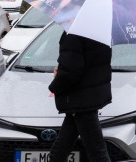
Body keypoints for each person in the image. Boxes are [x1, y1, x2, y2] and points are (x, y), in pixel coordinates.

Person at [46, 31, 112, 162]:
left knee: (97, 154)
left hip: (80, 100)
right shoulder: (99, 32)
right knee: (58, 153)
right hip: (86, 99)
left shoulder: (73, 35)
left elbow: (70, 70)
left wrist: (55, 82)